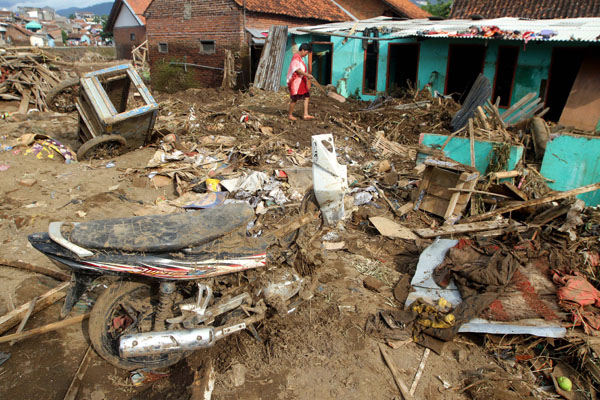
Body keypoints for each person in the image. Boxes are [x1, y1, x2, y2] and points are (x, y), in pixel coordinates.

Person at [286, 43, 314, 121]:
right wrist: (307, 75)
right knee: (295, 98)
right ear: (302, 50)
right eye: (306, 52)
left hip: (301, 80)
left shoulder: (300, 58)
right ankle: (290, 115)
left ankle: (305, 114)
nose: (306, 54)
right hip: (296, 81)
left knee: (306, 96)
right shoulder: (296, 57)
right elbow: (297, 69)